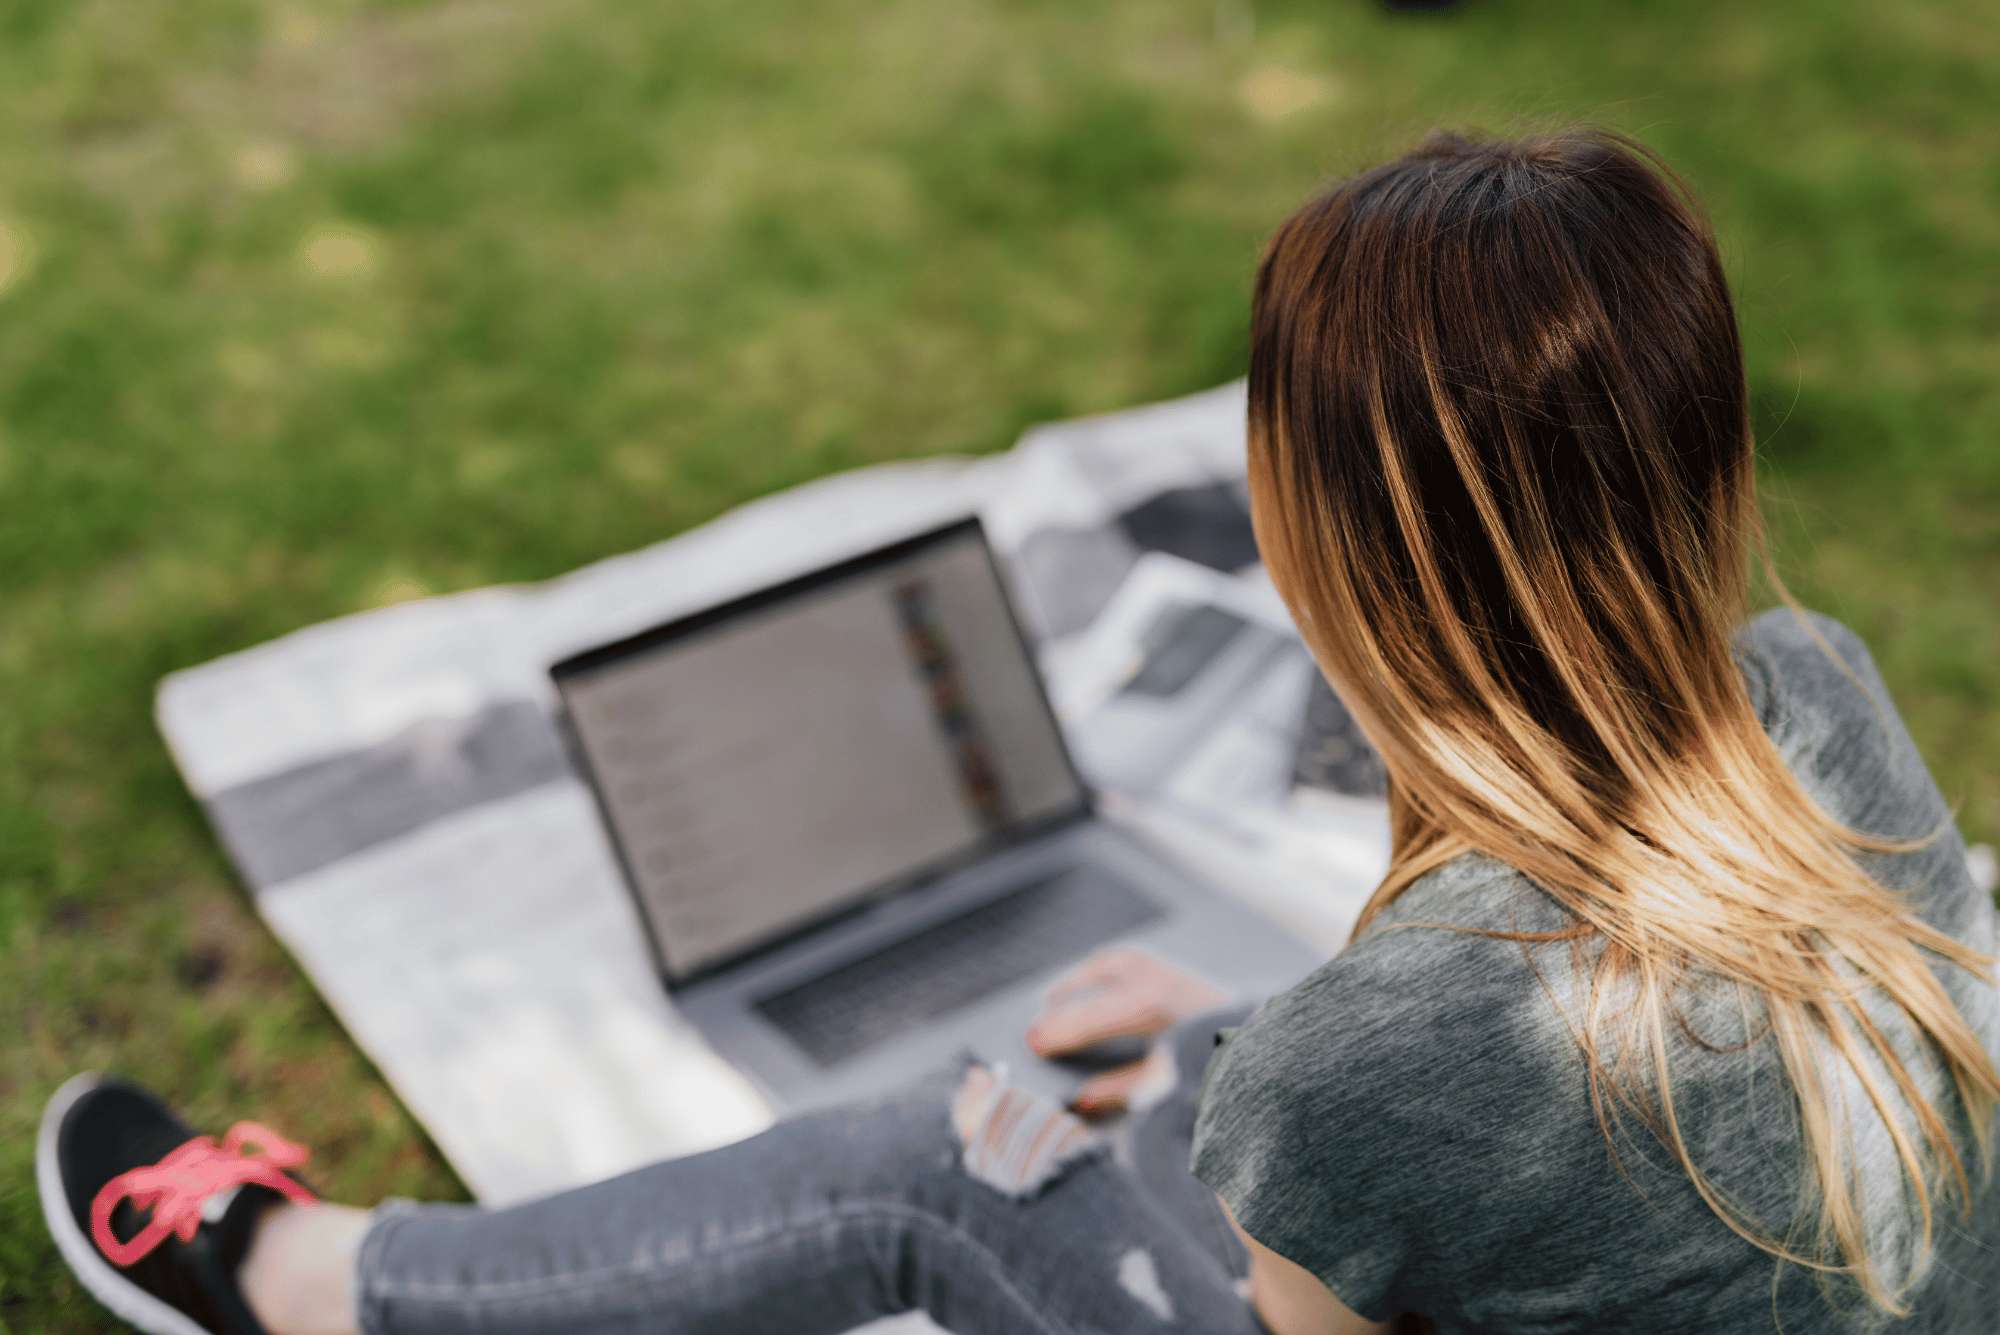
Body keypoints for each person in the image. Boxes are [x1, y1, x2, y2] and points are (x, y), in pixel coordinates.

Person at [39, 127, 2000, 1334]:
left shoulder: (1366, 1064)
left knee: (947, 1153)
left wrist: (1262, 1096)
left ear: (1314, 533)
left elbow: (1322, 1289)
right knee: (1180, 1083)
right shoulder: (1818, 687)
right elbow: (1566, 1088)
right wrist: (1246, 1047)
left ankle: (304, 1288)